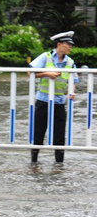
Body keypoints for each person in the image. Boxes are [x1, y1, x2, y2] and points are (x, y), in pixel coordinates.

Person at [29, 31, 79, 164]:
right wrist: (47, 73)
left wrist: (71, 92)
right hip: (43, 101)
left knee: (59, 137)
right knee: (38, 134)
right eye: (68, 44)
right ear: (59, 44)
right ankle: (34, 163)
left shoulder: (70, 62)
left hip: (59, 103)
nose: (70, 47)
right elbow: (30, 72)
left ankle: (59, 165)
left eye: (71, 45)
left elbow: (73, 81)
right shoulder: (45, 57)